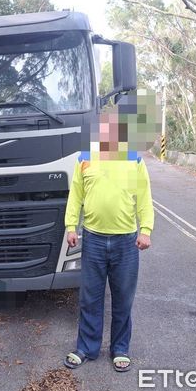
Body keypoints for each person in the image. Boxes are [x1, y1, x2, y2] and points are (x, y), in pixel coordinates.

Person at [63, 103, 155, 372]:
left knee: (123, 298)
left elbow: (145, 199)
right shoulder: (84, 158)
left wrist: (146, 230)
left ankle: (120, 349)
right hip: (92, 240)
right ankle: (87, 348)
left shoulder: (134, 159)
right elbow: (75, 196)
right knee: (90, 298)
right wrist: (71, 227)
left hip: (126, 242)